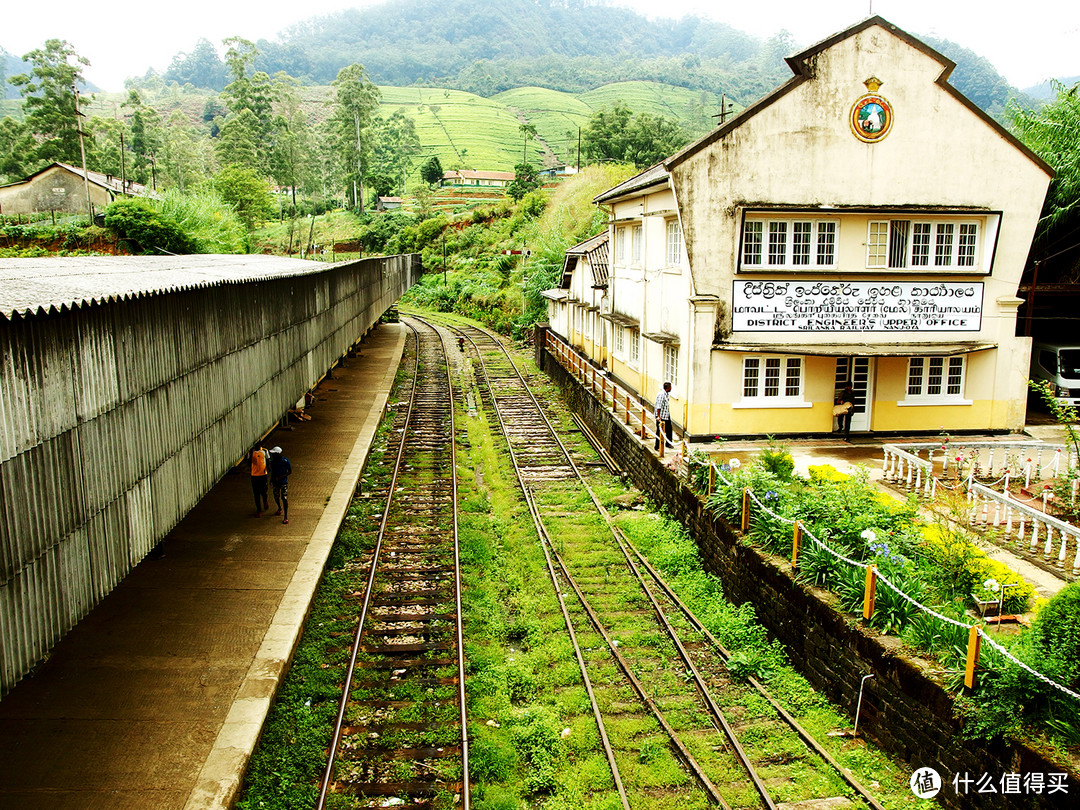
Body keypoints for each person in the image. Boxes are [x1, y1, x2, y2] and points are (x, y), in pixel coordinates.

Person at [269, 446, 292, 524]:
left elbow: (290, 471)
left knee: (284, 498)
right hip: (276, 482)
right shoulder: (273, 462)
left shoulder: (285, 461)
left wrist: (282, 476)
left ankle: (285, 516)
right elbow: (273, 471)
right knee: (276, 496)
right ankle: (279, 507)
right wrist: (271, 479)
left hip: (283, 482)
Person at [248, 444, 269, 516]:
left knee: (264, 491)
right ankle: (259, 509)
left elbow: (268, 460)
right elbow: (249, 462)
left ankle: (265, 501)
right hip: (255, 475)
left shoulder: (264, 451)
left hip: (262, 474)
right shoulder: (251, 452)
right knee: (256, 493)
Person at [654, 381, 673, 459]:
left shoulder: (666, 394)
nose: (671, 388)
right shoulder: (662, 395)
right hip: (662, 417)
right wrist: (658, 416)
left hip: (666, 416)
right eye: (670, 387)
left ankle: (668, 443)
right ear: (668, 388)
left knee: (669, 430)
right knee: (659, 432)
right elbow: (659, 406)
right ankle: (657, 446)